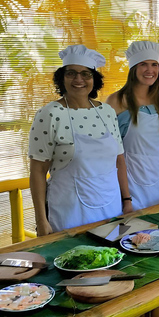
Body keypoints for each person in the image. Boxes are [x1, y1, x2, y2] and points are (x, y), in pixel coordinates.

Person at [29, 45, 129, 235]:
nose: (78, 80)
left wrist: (126, 201)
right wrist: (41, 220)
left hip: (110, 208)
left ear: (94, 79)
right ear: (62, 77)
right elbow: (38, 170)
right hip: (69, 213)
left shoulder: (106, 112)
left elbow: (119, 160)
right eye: (71, 73)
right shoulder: (50, 114)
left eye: (86, 74)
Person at [106, 41, 159, 211]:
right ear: (133, 69)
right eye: (143, 64)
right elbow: (112, 154)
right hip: (127, 183)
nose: (149, 70)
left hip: (156, 183)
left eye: (154, 65)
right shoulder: (116, 102)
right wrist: (125, 198)